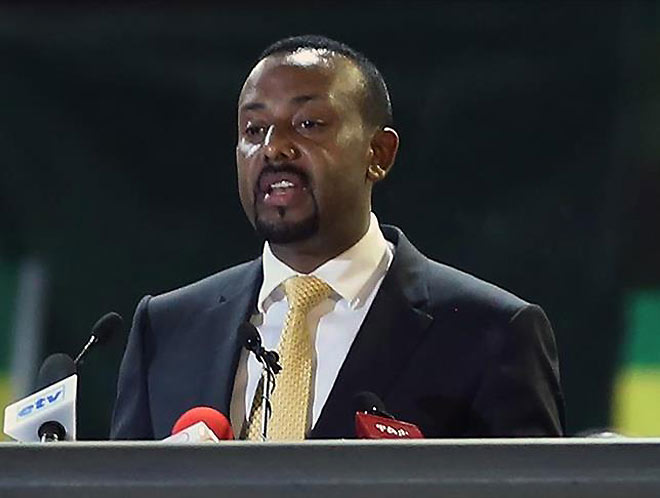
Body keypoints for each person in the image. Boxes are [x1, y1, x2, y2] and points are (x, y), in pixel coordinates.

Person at [110, 35, 565, 440]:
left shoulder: (490, 333)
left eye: (308, 124)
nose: (273, 147)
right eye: (254, 130)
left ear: (379, 153)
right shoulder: (167, 329)